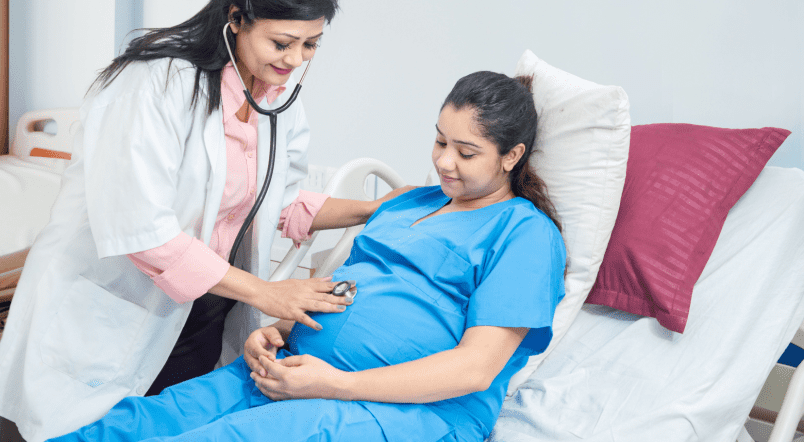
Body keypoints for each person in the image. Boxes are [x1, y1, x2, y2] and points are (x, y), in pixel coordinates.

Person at [0, 0, 398, 442]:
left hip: (199, 316)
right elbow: (142, 230)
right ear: (237, 18)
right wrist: (267, 294)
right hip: (108, 316)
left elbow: (270, 204)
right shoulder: (153, 85)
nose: (295, 61)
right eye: (283, 42)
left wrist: (376, 209)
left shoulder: (277, 103)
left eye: (311, 45)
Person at [52, 71, 567, 442]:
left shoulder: (523, 233)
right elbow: (349, 286)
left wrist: (336, 385)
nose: (444, 162)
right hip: (296, 370)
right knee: (141, 422)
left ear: (512, 155)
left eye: (466, 152)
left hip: (412, 411)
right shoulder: (410, 201)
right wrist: (276, 330)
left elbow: (476, 369)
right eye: (439, 141)